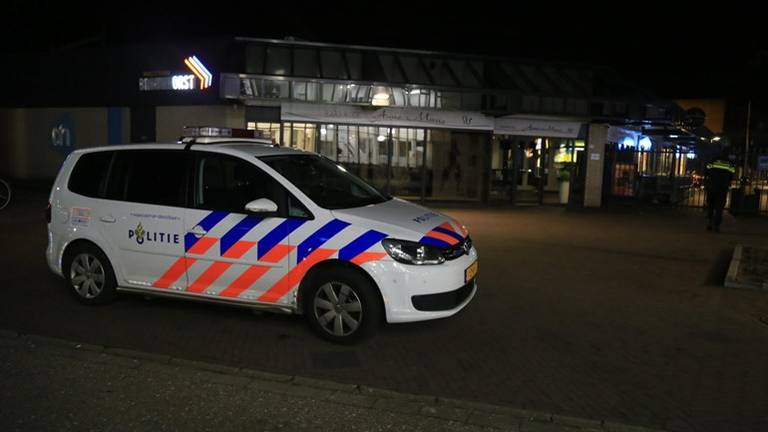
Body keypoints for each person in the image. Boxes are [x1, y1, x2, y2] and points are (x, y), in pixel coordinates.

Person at [704, 149, 736, 233]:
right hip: (722, 188)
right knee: (719, 207)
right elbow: (732, 173)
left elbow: (706, 170)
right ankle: (716, 226)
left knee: (710, 205)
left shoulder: (713, 161)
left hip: (712, 186)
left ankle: (709, 223)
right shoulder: (729, 163)